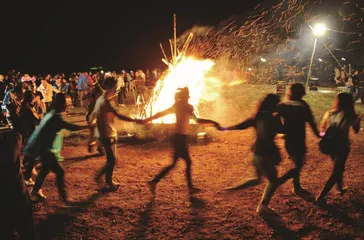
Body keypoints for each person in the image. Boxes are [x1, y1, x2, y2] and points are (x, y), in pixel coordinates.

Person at [221, 94, 295, 216]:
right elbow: (285, 130)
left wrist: (224, 128)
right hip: (266, 155)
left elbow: (241, 125)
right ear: (273, 105)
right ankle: (263, 206)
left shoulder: (257, 117)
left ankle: (233, 188)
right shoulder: (272, 119)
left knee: (257, 179)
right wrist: (282, 115)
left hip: (256, 154)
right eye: (277, 104)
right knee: (273, 181)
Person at [142, 87, 220, 194]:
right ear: (185, 97)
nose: (188, 98)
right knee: (185, 162)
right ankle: (188, 187)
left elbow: (161, 114)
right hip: (180, 138)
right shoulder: (188, 107)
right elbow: (199, 121)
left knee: (177, 163)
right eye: (187, 96)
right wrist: (213, 123)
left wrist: (148, 119)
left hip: (177, 137)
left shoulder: (177, 105)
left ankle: (155, 181)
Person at [23, 93, 89, 202]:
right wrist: (88, 126)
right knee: (60, 172)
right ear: (62, 104)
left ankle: (35, 191)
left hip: (42, 149)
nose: (69, 105)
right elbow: (71, 127)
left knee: (44, 170)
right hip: (46, 150)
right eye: (67, 103)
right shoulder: (56, 117)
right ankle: (65, 199)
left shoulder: (51, 113)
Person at [91, 77, 142, 191]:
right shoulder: (105, 102)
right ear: (109, 87)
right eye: (115, 87)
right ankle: (105, 180)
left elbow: (96, 116)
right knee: (112, 159)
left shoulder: (102, 99)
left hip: (107, 132)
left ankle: (106, 179)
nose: (116, 90)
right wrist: (136, 120)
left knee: (111, 159)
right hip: (106, 134)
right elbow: (118, 116)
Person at [0, 92, 38, 239]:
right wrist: (13, 113)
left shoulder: (11, 140)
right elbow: (22, 130)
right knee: (28, 233)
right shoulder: (12, 141)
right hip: (18, 196)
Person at [315, 93, 362, 205]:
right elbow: (356, 131)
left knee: (338, 167)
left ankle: (339, 188)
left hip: (330, 146)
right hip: (342, 147)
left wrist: (324, 136)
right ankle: (321, 196)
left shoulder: (330, 113)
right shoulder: (351, 116)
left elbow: (322, 126)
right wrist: (358, 120)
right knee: (337, 171)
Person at [277, 83, 321, 198]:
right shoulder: (303, 106)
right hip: (299, 139)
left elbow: (274, 118)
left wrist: (282, 130)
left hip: (289, 139)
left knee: (297, 163)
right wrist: (318, 134)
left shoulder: (284, 105)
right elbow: (311, 122)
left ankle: (296, 186)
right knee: (298, 164)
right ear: (302, 93)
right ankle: (279, 182)